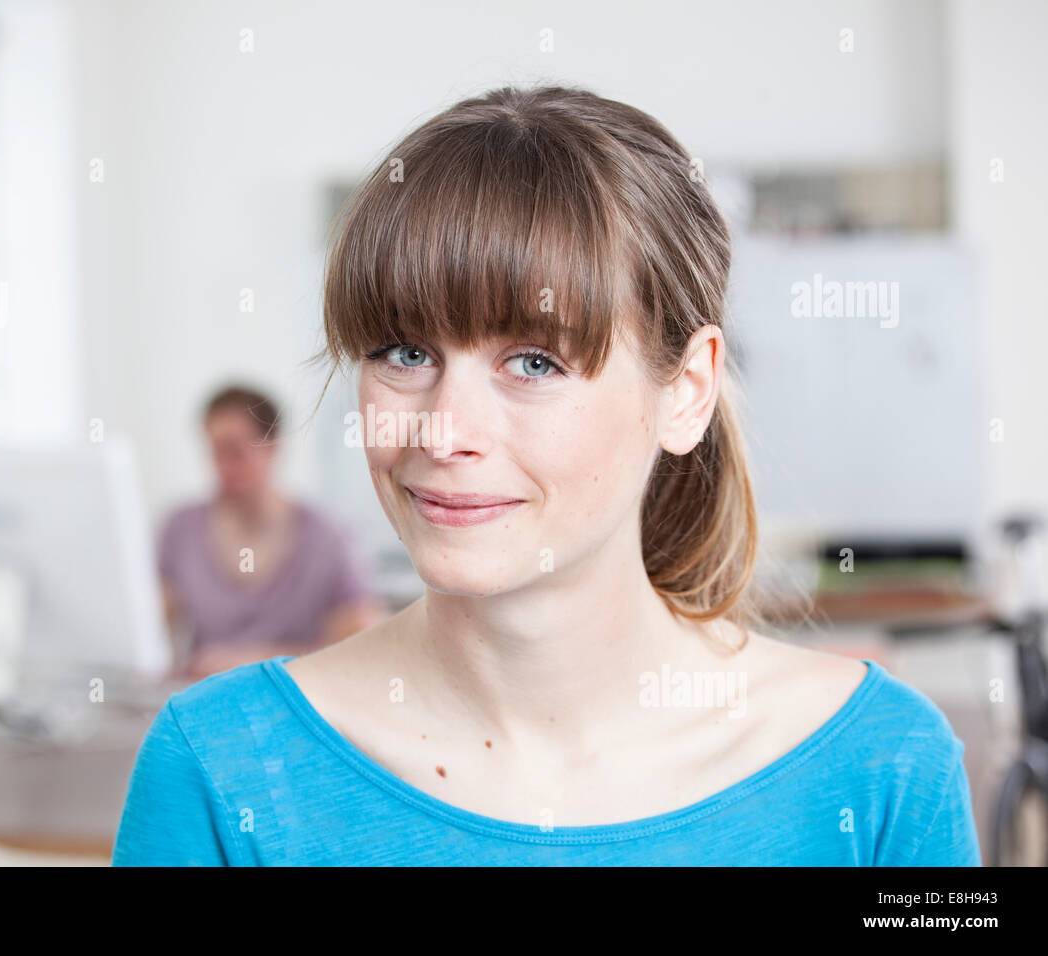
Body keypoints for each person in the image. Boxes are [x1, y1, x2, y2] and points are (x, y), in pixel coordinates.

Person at [115, 85, 981, 865]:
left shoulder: (885, 769)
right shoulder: (218, 769)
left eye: (533, 363)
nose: (443, 432)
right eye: (405, 352)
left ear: (686, 391)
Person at [157, 385, 384, 678]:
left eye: (234, 452)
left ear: (272, 446)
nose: (221, 467)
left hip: (295, 699)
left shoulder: (328, 536)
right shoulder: (180, 529)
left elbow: (362, 646)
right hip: (206, 701)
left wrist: (256, 662)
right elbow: (150, 627)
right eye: (214, 451)